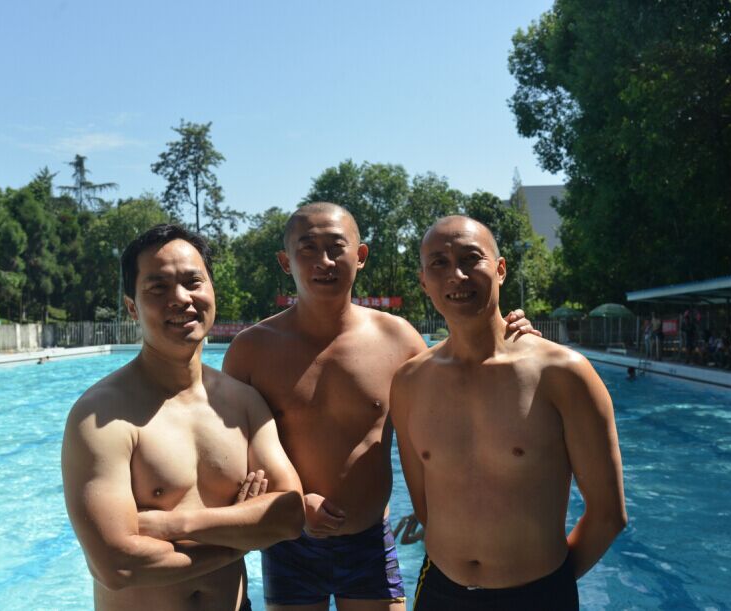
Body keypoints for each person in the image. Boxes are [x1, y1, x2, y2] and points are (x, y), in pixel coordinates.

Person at [222, 202, 539, 611]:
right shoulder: (250, 350)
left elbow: (465, 395)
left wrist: (510, 338)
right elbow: (230, 458)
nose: (324, 261)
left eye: (336, 247)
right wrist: (294, 503)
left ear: (360, 255)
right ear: (286, 262)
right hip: (287, 541)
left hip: (369, 541)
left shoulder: (399, 340)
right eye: (308, 248)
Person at [61, 224, 304, 611]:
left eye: (193, 282)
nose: (180, 298)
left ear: (212, 291)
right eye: (158, 288)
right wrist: (241, 536)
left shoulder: (242, 403)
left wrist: (176, 525)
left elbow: (289, 514)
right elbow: (116, 564)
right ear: (131, 307)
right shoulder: (100, 417)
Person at [390, 216, 627, 610]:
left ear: (500, 269)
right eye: (439, 264)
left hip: (538, 594)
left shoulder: (563, 373)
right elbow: (425, 506)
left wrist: (549, 587)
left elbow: (608, 514)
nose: (456, 275)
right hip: (440, 590)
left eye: (471, 259)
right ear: (424, 282)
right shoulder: (409, 383)